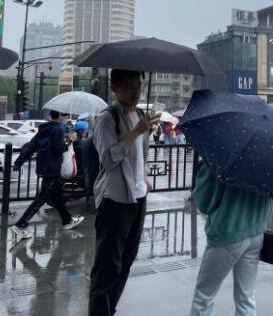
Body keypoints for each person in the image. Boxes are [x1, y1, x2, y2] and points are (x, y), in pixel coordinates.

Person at [88, 69, 157, 316]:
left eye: (138, 86)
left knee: (126, 262)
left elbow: (141, 156)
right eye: (129, 87)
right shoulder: (107, 118)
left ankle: (110, 309)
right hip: (115, 200)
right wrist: (136, 132)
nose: (136, 92)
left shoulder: (139, 115)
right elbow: (108, 159)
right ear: (114, 87)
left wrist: (145, 176)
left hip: (138, 197)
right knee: (107, 267)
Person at [189, 163, 269, 316]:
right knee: (246, 297)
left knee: (204, 295)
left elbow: (203, 201)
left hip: (228, 232)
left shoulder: (223, 155)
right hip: (256, 231)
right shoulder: (266, 157)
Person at [11, 111, 84, 241]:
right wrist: (69, 140)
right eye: (65, 115)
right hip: (52, 168)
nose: (65, 118)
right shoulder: (57, 130)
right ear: (60, 116)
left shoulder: (43, 130)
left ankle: (67, 220)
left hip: (45, 168)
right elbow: (58, 149)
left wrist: (19, 160)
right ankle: (20, 225)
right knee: (41, 199)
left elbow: (31, 146)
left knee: (57, 196)